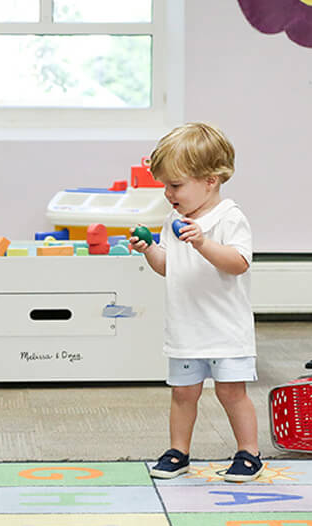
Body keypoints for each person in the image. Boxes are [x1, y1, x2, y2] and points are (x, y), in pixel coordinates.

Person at [130, 122, 263, 482]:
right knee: (183, 394)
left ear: (211, 180)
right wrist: (150, 250)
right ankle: (178, 452)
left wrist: (202, 242)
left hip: (225, 329)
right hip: (186, 328)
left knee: (231, 393)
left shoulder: (229, 217)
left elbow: (238, 263)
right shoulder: (174, 220)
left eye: (175, 185)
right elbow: (168, 268)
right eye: (164, 186)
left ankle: (249, 452)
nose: (168, 194)